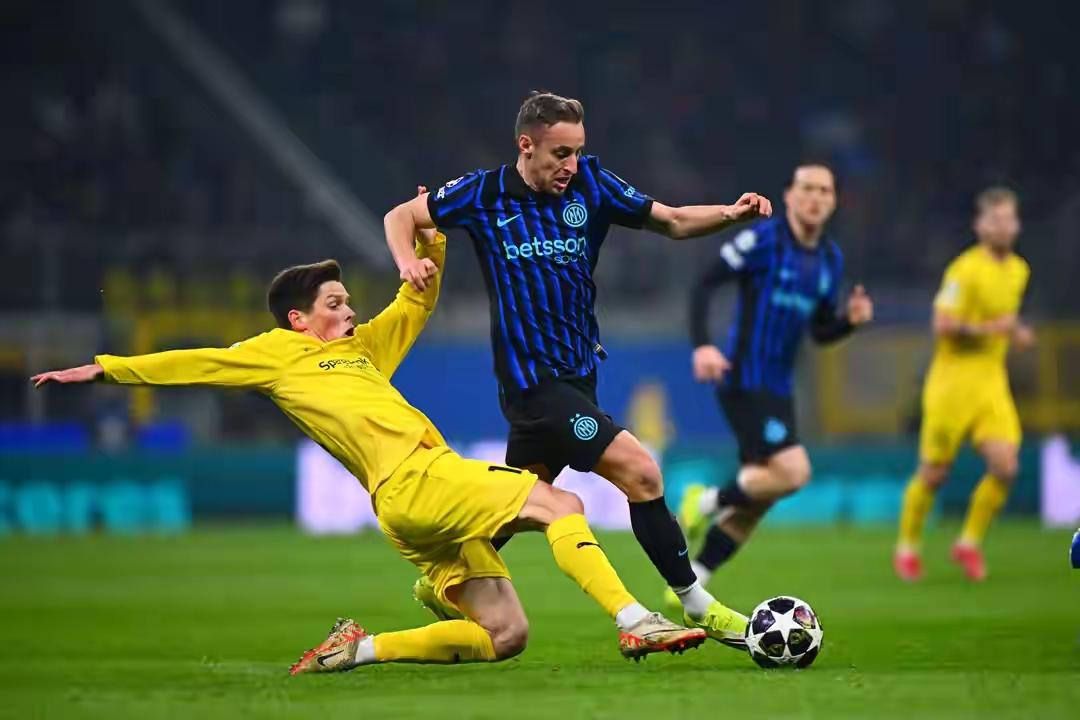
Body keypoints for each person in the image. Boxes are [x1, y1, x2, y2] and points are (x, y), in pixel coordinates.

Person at [31, 192, 705, 674]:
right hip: (417, 477)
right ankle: (633, 621)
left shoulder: (362, 351)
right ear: (298, 320)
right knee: (562, 503)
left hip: (405, 509)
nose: (350, 309)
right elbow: (197, 362)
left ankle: (358, 649)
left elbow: (414, 302)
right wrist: (105, 369)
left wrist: (430, 240)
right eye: (335, 303)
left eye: (348, 300)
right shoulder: (276, 355)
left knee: (505, 636)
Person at [383, 91, 773, 646]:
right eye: (560, 153)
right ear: (527, 145)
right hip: (533, 386)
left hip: (578, 375)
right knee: (642, 472)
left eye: (577, 151)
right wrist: (408, 261)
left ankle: (439, 581)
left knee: (519, 503)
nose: (570, 164)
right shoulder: (484, 193)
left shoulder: (591, 183)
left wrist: (729, 214)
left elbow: (672, 220)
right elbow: (400, 215)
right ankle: (696, 603)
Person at [674, 164, 873, 612]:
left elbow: (820, 331)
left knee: (761, 498)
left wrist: (848, 322)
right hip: (744, 377)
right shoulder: (764, 240)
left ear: (833, 201)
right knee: (794, 473)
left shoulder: (830, 260)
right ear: (789, 195)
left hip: (779, 388)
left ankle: (693, 581)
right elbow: (704, 283)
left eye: (824, 190)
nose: (815, 198)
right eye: (807, 188)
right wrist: (703, 345)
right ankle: (704, 500)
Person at [895, 187, 1034, 582]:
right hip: (951, 385)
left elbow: (1006, 319)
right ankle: (907, 547)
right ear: (980, 225)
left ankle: (968, 543)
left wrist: (1017, 332)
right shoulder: (964, 270)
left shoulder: (1019, 270)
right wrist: (993, 329)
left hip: (991, 383)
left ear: (1017, 225)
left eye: (1009, 219)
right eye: (995, 220)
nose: (1003, 227)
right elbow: (942, 325)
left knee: (1006, 467)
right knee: (934, 473)